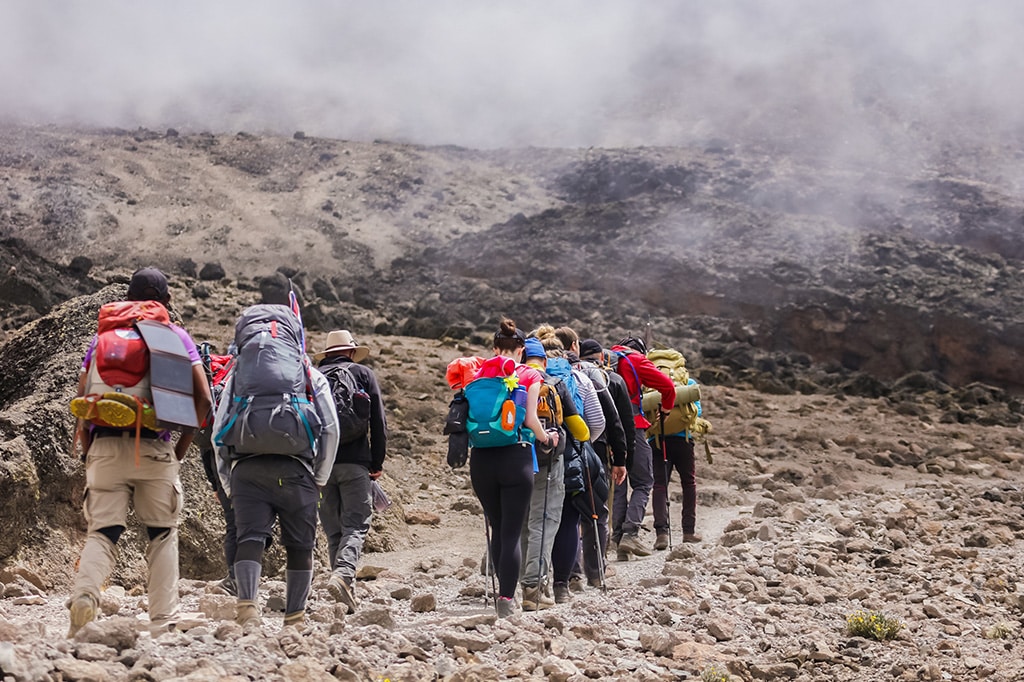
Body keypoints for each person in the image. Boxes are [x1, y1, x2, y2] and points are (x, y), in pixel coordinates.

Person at [67, 267, 212, 638]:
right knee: (162, 533)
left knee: (102, 531)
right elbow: (204, 401)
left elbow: (84, 401)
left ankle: (85, 596)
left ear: (128, 298)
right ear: (164, 301)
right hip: (155, 447)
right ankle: (163, 621)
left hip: (103, 446)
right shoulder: (175, 336)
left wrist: (88, 454)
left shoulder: (102, 339)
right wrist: (178, 449)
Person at [213, 305, 340, 629]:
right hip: (297, 470)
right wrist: (320, 477)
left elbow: (219, 430)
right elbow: (330, 428)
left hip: (247, 469)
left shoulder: (240, 372)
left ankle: (248, 608)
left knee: (250, 538)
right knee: (300, 544)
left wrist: (229, 480)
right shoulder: (306, 371)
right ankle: (294, 616)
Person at [468, 318, 556, 618]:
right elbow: (531, 420)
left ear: (494, 348)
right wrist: (548, 438)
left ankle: (499, 595)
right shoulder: (529, 374)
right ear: (521, 349)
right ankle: (507, 599)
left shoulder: (476, 373)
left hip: (480, 459)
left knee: (497, 526)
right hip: (516, 457)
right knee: (511, 532)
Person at [314, 329, 388, 614]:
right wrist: (376, 463)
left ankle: (343, 591)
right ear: (351, 351)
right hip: (355, 463)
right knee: (356, 524)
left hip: (320, 465)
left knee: (334, 530)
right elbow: (378, 422)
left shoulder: (312, 377)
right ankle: (344, 574)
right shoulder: (362, 374)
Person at [519, 335, 589, 611]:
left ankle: (515, 586)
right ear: (545, 361)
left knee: (522, 524)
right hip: (548, 463)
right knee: (544, 522)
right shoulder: (554, 384)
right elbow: (582, 430)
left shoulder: (511, 381)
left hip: (515, 459)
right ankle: (535, 587)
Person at [606, 336, 675, 559]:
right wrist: (666, 409)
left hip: (605, 428)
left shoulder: (605, 358)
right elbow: (668, 386)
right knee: (644, 482)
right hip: (632, 426)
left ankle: (617, 539)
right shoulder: (636, 360)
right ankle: (631, 533)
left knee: (618, 483)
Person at [642, 348, 708, 547]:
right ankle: (689, 532)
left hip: (657, 440)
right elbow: (697, 411)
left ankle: (661, 533)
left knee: (660, 485)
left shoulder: (650, 383)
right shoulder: (687, 382)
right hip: (683, 440)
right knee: (689, 484)